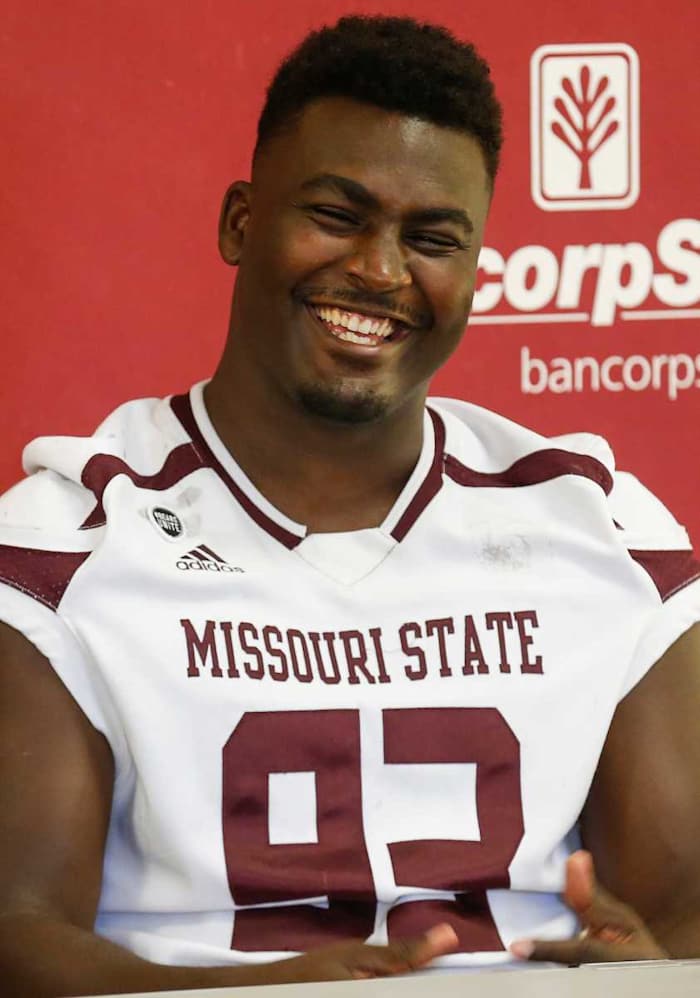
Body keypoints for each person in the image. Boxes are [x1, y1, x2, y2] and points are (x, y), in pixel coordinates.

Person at [1, 14, 699, 998]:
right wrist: (290, 993)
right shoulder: (66, 539)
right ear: (241, 222)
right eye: (337, 214)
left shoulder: (599, 525)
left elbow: (680, 907)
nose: (379, 271)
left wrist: (653, 966)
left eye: (431, 238)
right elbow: (15, 929)